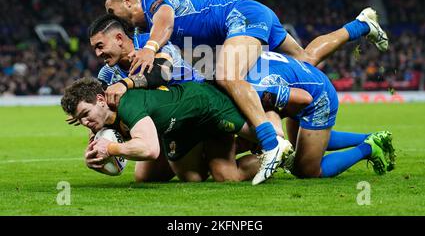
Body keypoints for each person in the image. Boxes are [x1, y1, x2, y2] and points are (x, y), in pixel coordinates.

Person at [104, 0, 389, 184]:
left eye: (112, 12)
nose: (110, 18)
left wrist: (151, 47)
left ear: (127, 1)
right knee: (306, 60)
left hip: (241, 17)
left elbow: (165, 21)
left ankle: (270, 143)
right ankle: (361, 25)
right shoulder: (147, 28)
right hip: (251, 14)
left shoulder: (154, 3)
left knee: (228, 75)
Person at [61, 77, 298, 183]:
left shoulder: (128, 104)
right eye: (79, 119)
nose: (84, 123)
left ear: (101, 100)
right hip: (181, 130)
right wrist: (93, 161)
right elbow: (116, 167)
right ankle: (225, 152)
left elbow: (151, 150)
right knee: (192, 178)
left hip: (206, 106)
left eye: (85, 115)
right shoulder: (101, 121)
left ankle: (271, 118)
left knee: (273, 140)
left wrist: (111, 148)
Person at [245, 51, 396, 178]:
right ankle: (369, 137)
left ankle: (368, 148)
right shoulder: (242, 56)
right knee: (303, 144)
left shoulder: (252, 86)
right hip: (304, 82)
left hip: (317, 96)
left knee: (306, 170)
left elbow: (304, 99)